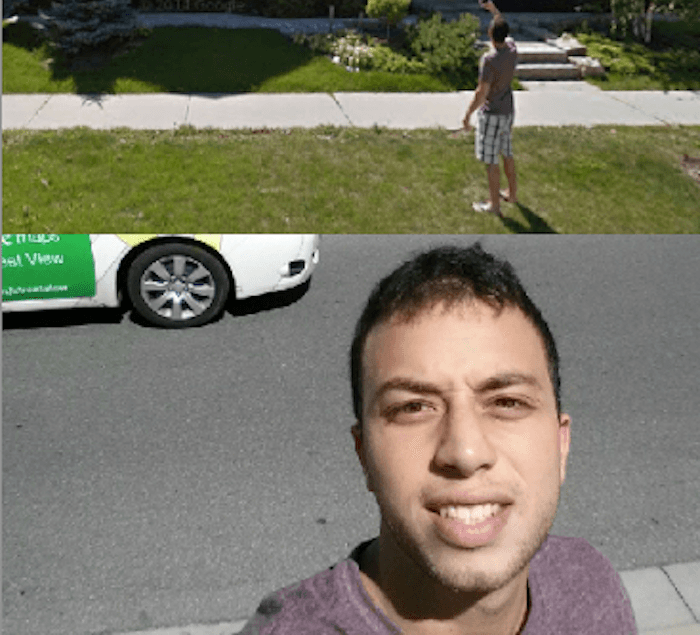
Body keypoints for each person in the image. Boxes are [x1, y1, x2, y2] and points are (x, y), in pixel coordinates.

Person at [241, 244, 638, 635]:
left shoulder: (591, 584)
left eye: (507, 401)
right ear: (363, 456)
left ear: (561, 443)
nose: (465, 453)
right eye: (413, 407)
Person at [462, 0, 518, 216]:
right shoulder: (512, 49)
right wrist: (494, 9)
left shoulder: (489, 60)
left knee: (490, 160)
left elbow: (481, 93)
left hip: (492, 114)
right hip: (508, 112)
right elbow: (502, 27)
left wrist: (467, 116)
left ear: (489, 33)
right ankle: (512, 194)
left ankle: (494, 206)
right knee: (507, 153)